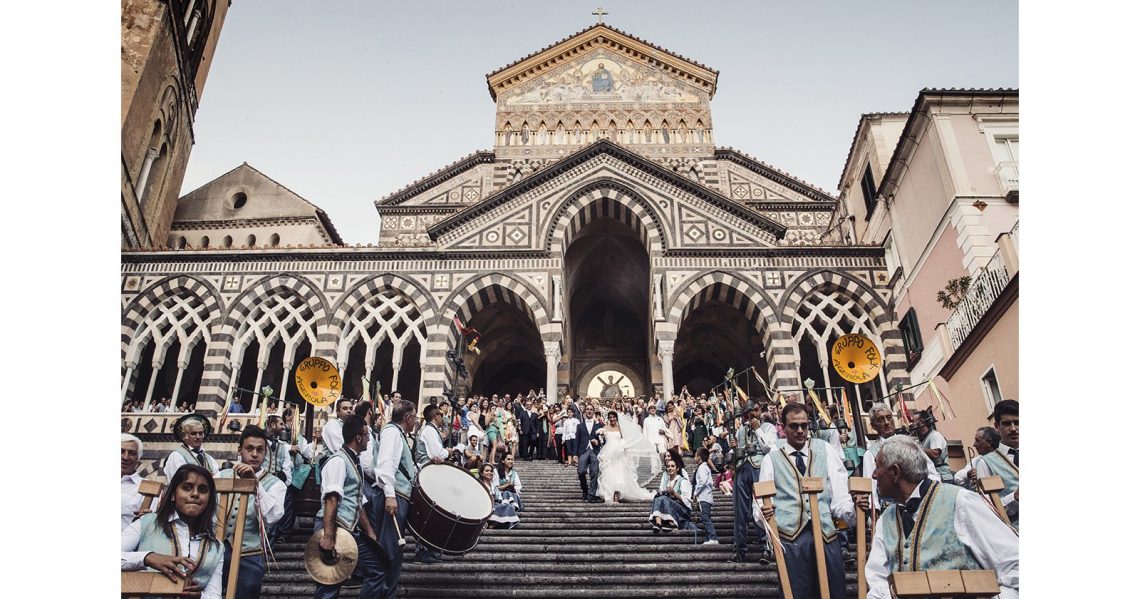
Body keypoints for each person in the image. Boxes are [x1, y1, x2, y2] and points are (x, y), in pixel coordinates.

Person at [858, 435, 1019, 599]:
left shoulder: (961, 502)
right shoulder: (886, 519)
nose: (874, 475)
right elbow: (877, 580)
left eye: (877, 467)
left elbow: (1014, 564)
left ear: (895, 472)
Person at [756, 403, 854, 599]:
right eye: (794, 426)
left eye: (804, 425)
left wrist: (850, 514)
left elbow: (840, 490)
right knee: (797, 592)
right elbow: (761, 501)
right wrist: (764, 514)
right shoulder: (772, 459)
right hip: (791, 539)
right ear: (783, 427)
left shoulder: (824, 450)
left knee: (834, 590)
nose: (800, 431)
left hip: (826, 535)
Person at [122, 464, 223, 598]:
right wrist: (147, 557)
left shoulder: (216, 547)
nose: (195, 494)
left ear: (209, 499)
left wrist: (200, 596)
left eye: (203, 490)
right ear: (173, 495)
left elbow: (215, 595)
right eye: (187, 488)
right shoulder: (147, 523)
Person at [314, 414, 383, 599]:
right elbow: (331, 499)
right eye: (367, 435)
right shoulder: (338, 460)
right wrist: (328, 536)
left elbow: (358, 502)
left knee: (376, 569)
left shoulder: (355, 463)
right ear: (358, 438)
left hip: (349, 530)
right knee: (329, 583)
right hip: (333, 528)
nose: (370, 439)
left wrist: (369, 531)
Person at [216, 425, 285, 599]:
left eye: (260, 450)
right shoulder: (221, 476)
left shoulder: (276, 484)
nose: (254, 454)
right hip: (215, 551)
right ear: (240, 450)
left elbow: (272, 517)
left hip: (250, 555)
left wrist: (255, 483)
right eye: (249, 449)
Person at [371, 400, 419, 597]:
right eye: (414, 417)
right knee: (388, 551)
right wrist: (390, 496)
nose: (416, 421)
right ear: (407, 418)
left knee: (394, 551)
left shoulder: (398, 434)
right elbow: (385, 466)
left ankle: (388, 593)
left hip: (399, 496)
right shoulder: (392, 432)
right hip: (394, 497)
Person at [862, 403, 939, 510]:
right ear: (873, 426)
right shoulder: (871, 453)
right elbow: (871, 490)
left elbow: (931, 473)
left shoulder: (910, 444)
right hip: (891, 511)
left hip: (920, 505)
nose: (886, 423)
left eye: (889, 418)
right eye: (880, 419)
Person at [729, 402, 771, 564]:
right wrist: (734, 448)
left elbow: (768, 448)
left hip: (760, 468)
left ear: (760, 410)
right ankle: (739, 549)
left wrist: (757, 429)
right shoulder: (740, 431)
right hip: (742, 469)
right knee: (740, 511)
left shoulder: (768, 428)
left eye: (755, 410)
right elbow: (738, 453)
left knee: (762, 507)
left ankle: (766, 547)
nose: (752, 414)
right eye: (748, 411)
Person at [412, 403, 451, 563]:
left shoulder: (431, 430)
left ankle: (428, 548)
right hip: (427, 476)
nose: (443, 417)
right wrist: (449, 451)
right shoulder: (429, 430)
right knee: (428, 514)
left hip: (429, 475)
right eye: (441, 414)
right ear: (436, 416)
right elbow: (437, 454)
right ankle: (422, 550)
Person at [596, 410, 658, 503]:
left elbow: (626, 439)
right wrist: (600, 434)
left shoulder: (620, 428)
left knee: (619, 475)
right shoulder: (605, 428)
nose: (612, 419)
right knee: (609, 474)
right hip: (609, 454)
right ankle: (610, 494)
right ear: (608, 419)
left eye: (614, 417)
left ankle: (616, 496)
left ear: (616, 418)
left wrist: (623, 446)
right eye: (610, 417)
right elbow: (602, 440)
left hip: (619, 454)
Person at [975, 399, 1019, 530]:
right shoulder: (985, 463)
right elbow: (987, 509)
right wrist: (1014, 498)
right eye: (1006, 424)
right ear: (997, 427)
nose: (1013, 429)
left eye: (1017, 423)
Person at [164, 413, 219, 482]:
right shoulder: (176, 456)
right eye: (193, 433)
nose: (198, 437)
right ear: (185, 436)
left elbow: (217, 480)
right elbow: (177, 482)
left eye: (200, 433)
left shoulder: (210, 459)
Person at [569, 402, 605, 502]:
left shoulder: (599, 425)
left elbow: (603, 440)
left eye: (591, 409)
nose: (589, 411)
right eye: (587, 409)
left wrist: (598, 441)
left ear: (593, 412)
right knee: (580, 471)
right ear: (585, 412)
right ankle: (585, 490)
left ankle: (592, 494)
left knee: (594, 473)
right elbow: (576, 440)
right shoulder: (580, 426)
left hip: (594, 451)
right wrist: (575, 454)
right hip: (583, 451)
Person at [649, 458, 693, 532]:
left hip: (683, 510)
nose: (670, 468)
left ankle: (672, 523)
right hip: (670, 507)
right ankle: (658, 523)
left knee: (664, 498)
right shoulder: (667, 482)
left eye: (672, 466)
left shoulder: (683, 481)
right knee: (658, 497)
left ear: (677, 468)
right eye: (668, 466)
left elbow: (687, 501)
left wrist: (674, 493)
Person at [912, 409, 953, 483]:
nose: (912, 424)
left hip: (942, 476)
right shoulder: (923, 439)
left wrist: (916, 447)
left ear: (921, 422)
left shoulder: (934, 435)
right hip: (933, 475)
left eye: (914, 421)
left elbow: (935, 454)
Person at [693, 447, 719, 544]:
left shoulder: (702, 468)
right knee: (705, 517)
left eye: (695, 455)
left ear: (699, 457)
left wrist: (696, 493)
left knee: (705, 518)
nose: (694, 457)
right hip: (704, 496)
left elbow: (703, 481)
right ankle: (709, 538)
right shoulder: (704, 467)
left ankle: (713, 537)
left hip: (704, 497)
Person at [481, 463, 519, 528]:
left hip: (495, 505)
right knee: (505, 507)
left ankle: (493, 524)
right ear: (481, 473)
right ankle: (491, 523)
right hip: (485, 506)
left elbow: (499, 498)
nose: (489, 472)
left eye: (491, 471)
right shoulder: (480, 484)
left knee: (509, 507)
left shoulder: (493, 486)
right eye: (487, 471)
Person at [122, 433, 145, 530]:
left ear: (138, 459)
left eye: (132, 453)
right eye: (121, 451)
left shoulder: (148, 487)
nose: (125, 457)